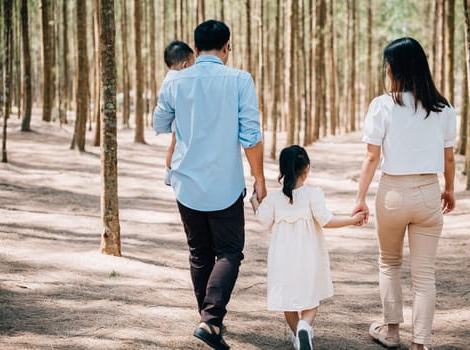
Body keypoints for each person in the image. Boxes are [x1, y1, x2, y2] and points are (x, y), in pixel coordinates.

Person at [153, 19, 266, 350]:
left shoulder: (175, 81)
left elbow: (159, 122)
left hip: (186, 183)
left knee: (199, 253)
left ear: (196, 47)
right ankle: (211, 320)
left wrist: (183, 118)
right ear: (228, 45)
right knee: (229, 252)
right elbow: (251, 135)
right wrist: (259, 178)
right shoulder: (240, 80)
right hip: (225, 184)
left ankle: (208, 319)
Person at [351, 37, 456, 350]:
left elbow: (371, 157)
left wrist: (360, 197)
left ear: (393, 68)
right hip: (428, 192)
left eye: (387, 65)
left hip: (393, 193)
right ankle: (421, 344)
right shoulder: (443, 106)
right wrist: (449, 189)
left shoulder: (383, 105)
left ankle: (392, 332)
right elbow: (449, 157)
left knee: (390, 263)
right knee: (425, 275)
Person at [250, 145, 365, 350]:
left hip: (282, 258)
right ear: (307, 168)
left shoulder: (274, 199)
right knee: (311, 299)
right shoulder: (314, 194)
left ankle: (298, 336)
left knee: (288, 302)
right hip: (308, 256)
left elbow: (263, 221)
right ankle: (304, 326)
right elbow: (326, 220)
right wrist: (352, 219)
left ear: (282, 170)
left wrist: (255, 203)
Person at [155, 40, 195, 186]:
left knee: (174, 144)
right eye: (193, 63)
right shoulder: (180, 79)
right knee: (175, 144)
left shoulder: (168, 78)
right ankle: (170, 170)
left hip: (176, 119)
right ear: (185, 65)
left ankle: (169, 170)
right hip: (180, 119)